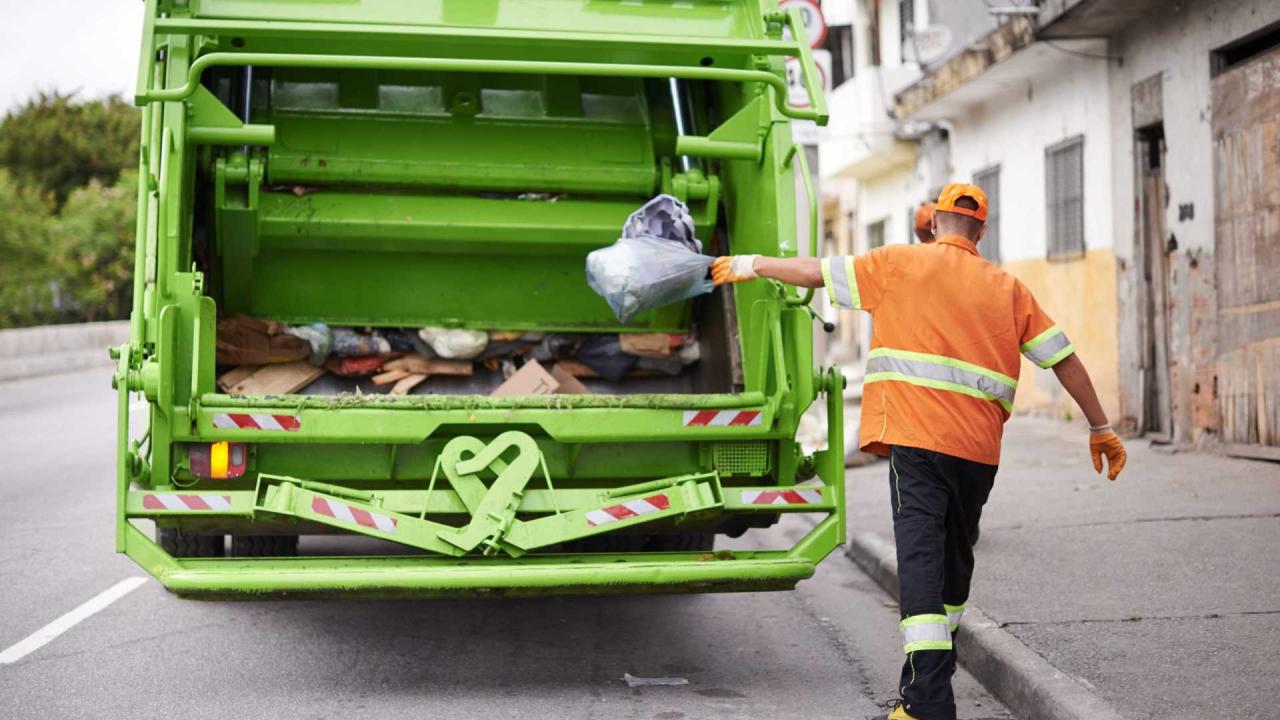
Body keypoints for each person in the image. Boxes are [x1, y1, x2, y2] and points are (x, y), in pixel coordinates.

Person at [711, 183, 1127, 720]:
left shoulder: (896, 264)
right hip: (978, 450)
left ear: (933, 224)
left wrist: (750, 263)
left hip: (916, 440)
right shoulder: (1008, 288)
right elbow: (1062, 356)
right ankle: (929, 681)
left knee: (920, 562)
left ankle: (928, 704)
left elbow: (815, 273)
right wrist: (1100, 427)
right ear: (980, 231)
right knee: (954, 559)